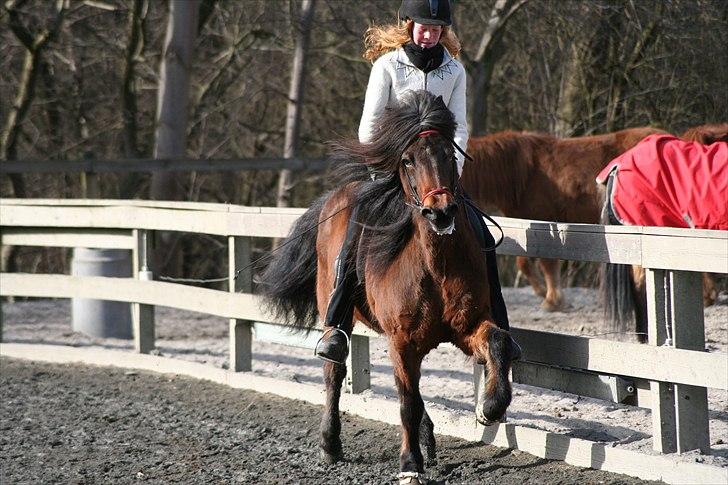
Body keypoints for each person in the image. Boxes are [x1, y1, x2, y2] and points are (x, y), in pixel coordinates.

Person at [315, 0, 510, 363]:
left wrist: (452, 173)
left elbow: (460, 126)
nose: (429, 33)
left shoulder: (454, 71)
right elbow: (370, 124)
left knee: (481, 233)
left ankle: (500, 323)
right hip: (391, 169)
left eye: (436, 29)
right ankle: (336, 325)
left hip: (437, 172)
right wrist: (383, 171)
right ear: (409, 25)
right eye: (424, 27)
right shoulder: (387, 66)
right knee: (354, 232)